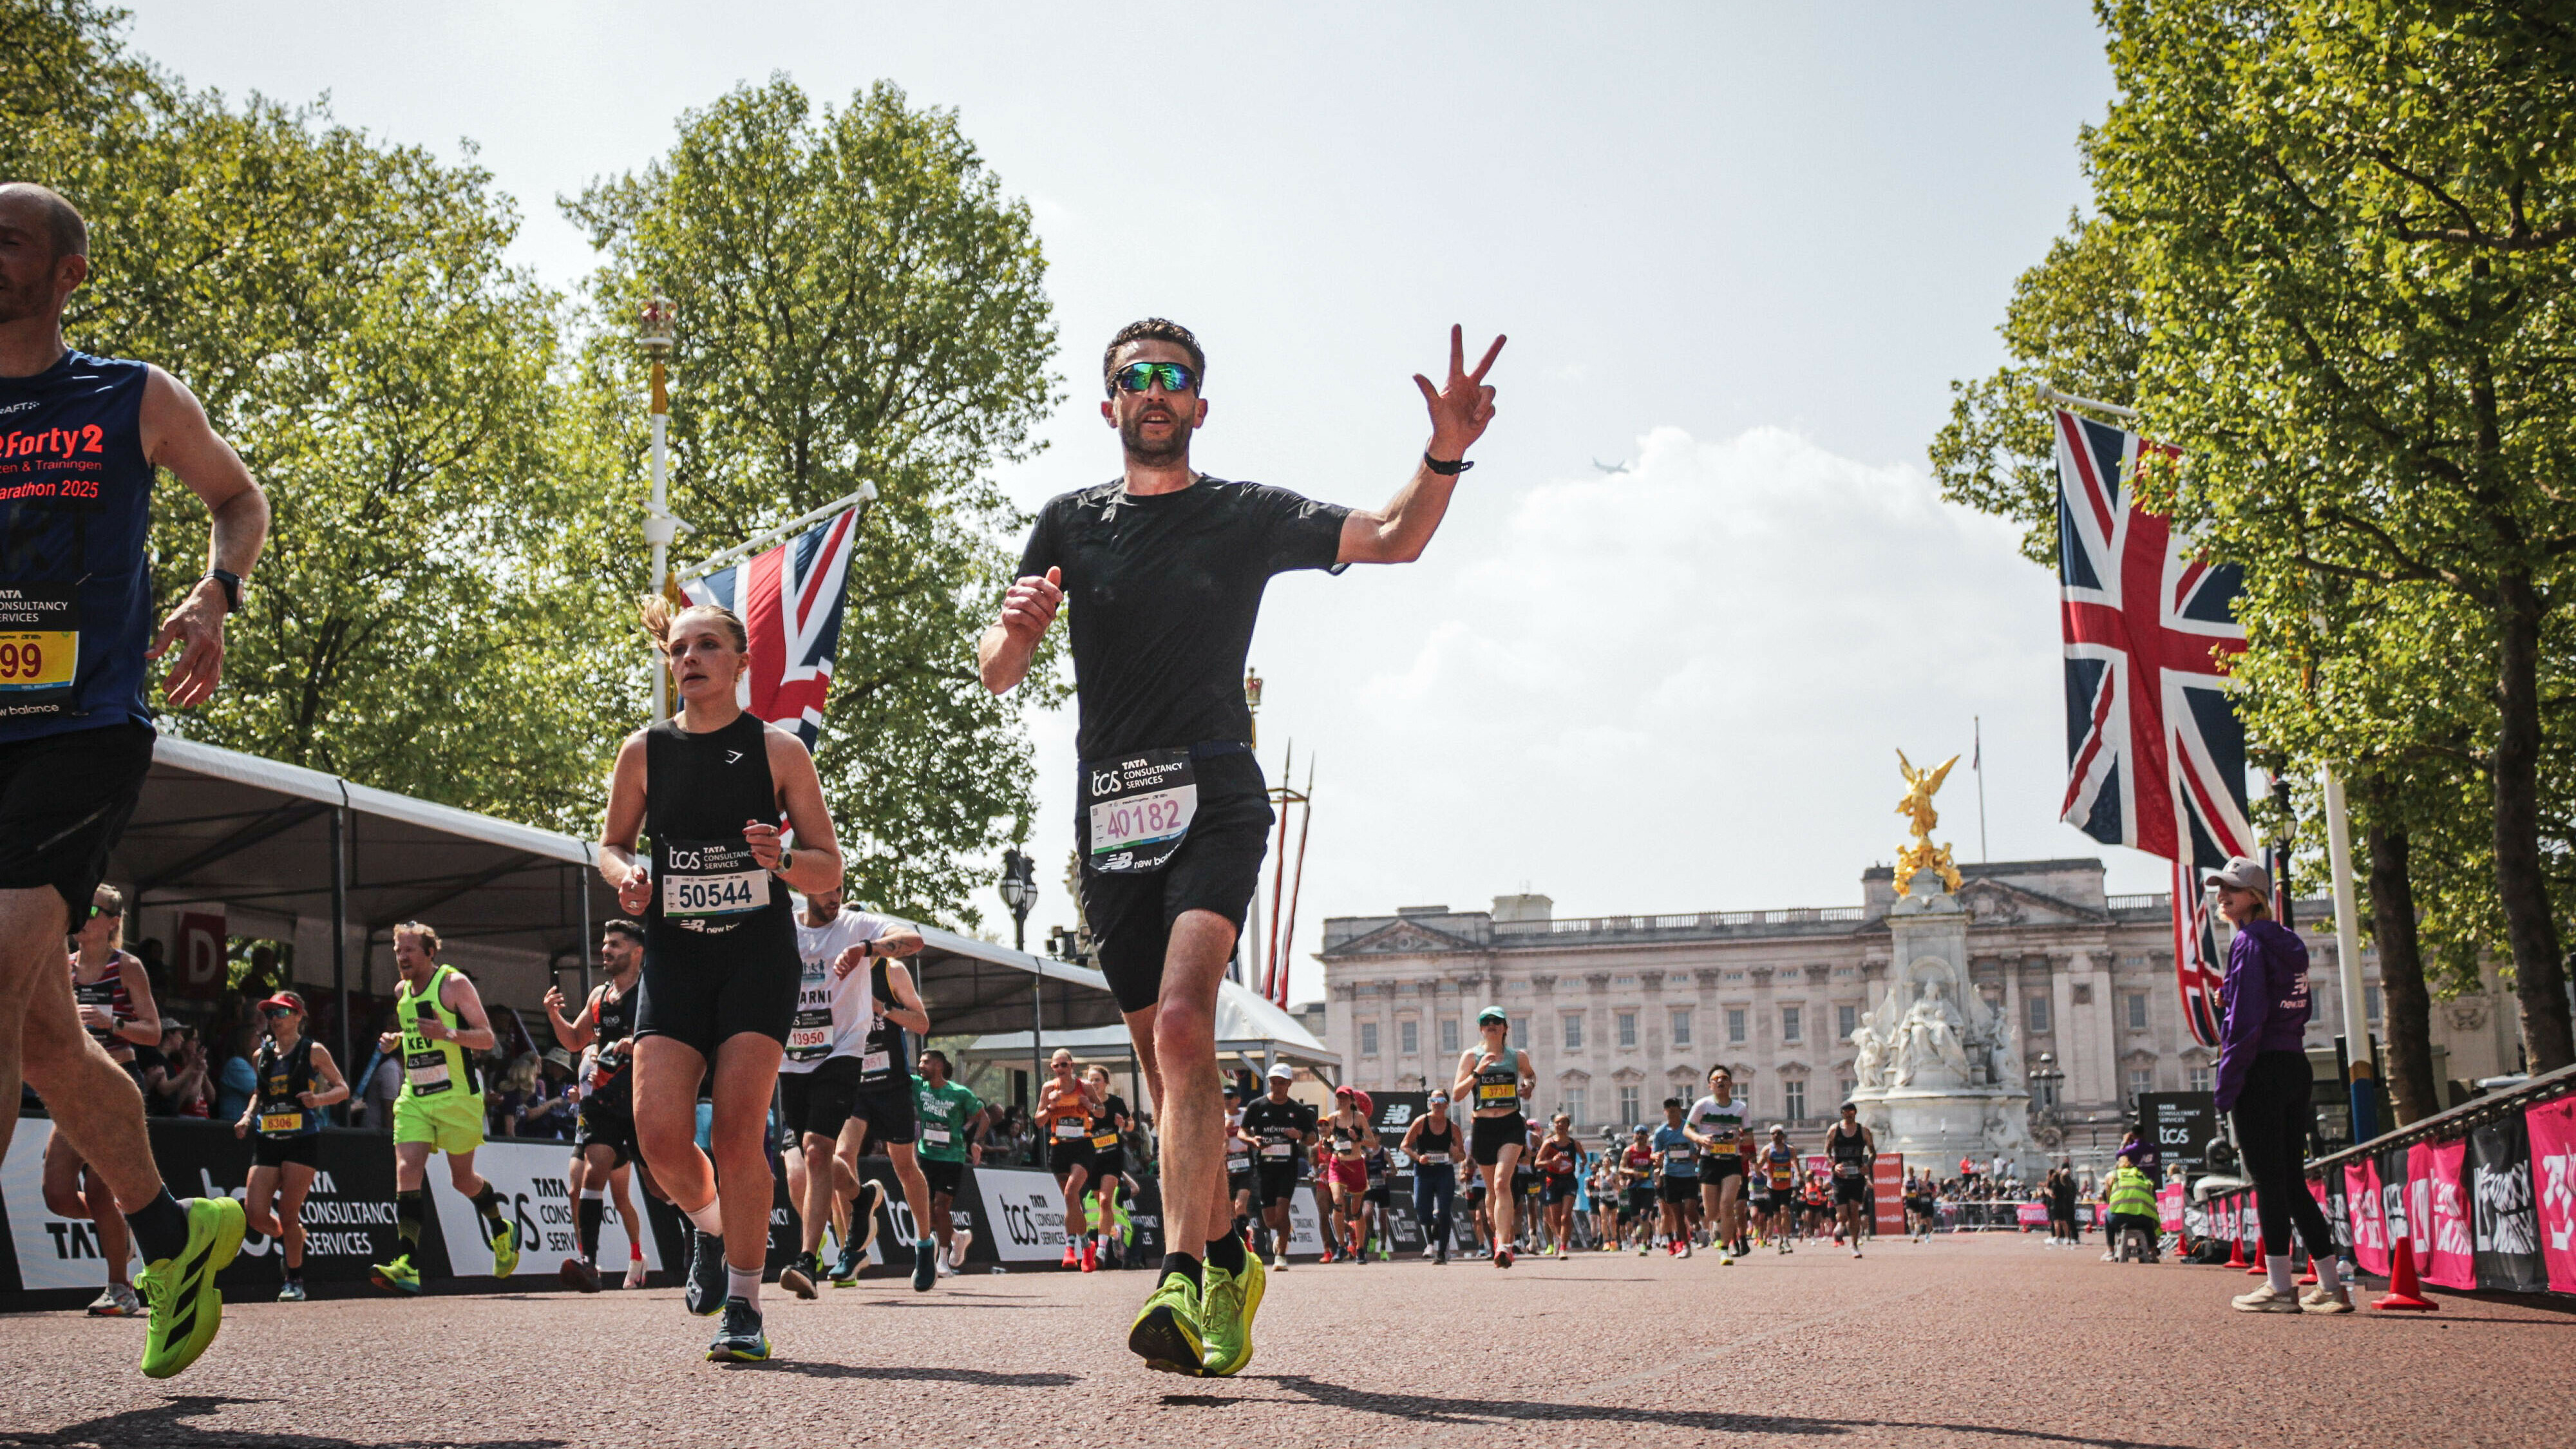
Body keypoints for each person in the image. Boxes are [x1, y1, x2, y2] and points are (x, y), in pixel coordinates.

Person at [980, 317, 1502, 1374]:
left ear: (1200, 407)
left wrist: (1443, 451)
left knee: (1184, 1022)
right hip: (1109, 814)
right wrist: (1021, 630)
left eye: (1174, 378)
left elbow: (1396, 535)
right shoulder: (1068, 524)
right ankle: (1227, 1256)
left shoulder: (1245, 515)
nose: (1156, 392)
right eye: (1136, 379)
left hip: (1215, 790)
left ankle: (1178, 1278)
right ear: (1110, 405)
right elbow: (994, 667)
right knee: (1168, 1079)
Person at [0, 182, 268, 1379]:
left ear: (67, 273)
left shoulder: (132, 395)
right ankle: (176, 1232)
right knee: (48, 1040)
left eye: (7, 243)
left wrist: (219, 593)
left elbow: (238, 496)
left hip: (80, 727)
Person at [600, 597, 846, 1361]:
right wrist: (627, 879)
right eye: (679, 648)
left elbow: (828, 868)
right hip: (675, 959)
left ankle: (744, 1306)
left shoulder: (778, 752)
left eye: (708, 645)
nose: (690, 658)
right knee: (660, 1138)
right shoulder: (643, 751)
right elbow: (610, 845)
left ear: (741, 664)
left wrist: (782, 861)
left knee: (741, 1131)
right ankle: (708, 1227)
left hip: (755, 961)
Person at [2206, 857, 2348, 1314]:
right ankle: (2329, 1283)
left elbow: (2247, 1023)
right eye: (2221, 889)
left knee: (2267, 1181)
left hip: (2261, 1068)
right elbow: (2291, 1004)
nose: (2223, 896)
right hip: (2294, 1061)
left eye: (2233, 889)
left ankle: (2281, 1286)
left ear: (2256, 897)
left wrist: (2228, 1084)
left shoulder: (2247, 942)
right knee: (2291, 1180)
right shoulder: (2289, 942)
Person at [774, 885, 920, 1298]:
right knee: (809, 1157)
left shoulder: (856, 924)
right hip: (793, 1056)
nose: (834, 895)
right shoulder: (785, 926)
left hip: (842, 1053)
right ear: (806, 885)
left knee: (819, 1150)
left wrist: (867, 949)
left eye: (839, 886)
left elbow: (914, 940)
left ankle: (806, 1260)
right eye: (826, 888)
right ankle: (860, 1200)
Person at [369, 923, 520, 1294]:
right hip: (416, 1097)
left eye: (409, 951)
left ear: (429, 952)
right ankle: (408, 1264)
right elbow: (418, 1032)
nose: (402, 958)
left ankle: (501, 1229)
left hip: (457, 1098)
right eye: (398, 951)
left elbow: (487, 1039)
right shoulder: (401, 992)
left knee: (461, 1180)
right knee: (407, 1171)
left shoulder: (453, 984)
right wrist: (397, 1040)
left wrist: (448, 1034)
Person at [51, 884, 161, 1317]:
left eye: (93, 910)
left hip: (115, 1077)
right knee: (56, 1194)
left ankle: (120, 1289)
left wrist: (111, 1021)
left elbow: (152, 1032)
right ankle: (121, 1227)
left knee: (99, 1191)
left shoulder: (127, 967)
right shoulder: (65, 966)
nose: (84, 916)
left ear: (114, 921)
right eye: (81, 907)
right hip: (72, 1084)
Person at [542, 920, 652, 1293]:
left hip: (643, 1099)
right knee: (592, 1174)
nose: (606, 950)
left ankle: (700, 1239)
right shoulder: (599, 996)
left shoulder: (652, 991)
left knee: (658, 1185)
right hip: (603, 1102)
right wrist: (554, 1015)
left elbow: (673, 1044)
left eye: (615, 945)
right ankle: (590, 1263)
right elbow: (575, 1040)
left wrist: (635, 1045)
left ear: (637, 952)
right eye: (605, 944)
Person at [840, 902, 935, 1289]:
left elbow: (922, 1022)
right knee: (841, 1158)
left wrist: (885, 1008)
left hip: (892, 1082)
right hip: (854, 1083)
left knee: (904, 1165)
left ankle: (925, 1245)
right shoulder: (835, 973)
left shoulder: (890, 969)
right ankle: (854, 1243)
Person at [231, 991, 347, 1301]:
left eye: (281, 1013)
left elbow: (343, 1089)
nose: (274, 1020)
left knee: (287, 1211)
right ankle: (292, 1239)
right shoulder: (261, 1055)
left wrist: (318, 1100)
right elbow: (259, 1092)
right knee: (255, 1213)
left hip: (301, 1140)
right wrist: (246, 1117)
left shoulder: (314, 1051)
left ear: (298, 1016)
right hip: (267, 1137)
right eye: (270, 1014)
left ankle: (293, 1279)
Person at [1452, 1005, 1537, 1268]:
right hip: (1483, 1127)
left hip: (1510, 1124)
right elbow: (1456, 1094)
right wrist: (1478, 1073)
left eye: (1497, 1021)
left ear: (1505, 1028)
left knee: (1502, 1183)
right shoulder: (1471, 1056)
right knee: (1491, 1190)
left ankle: (1505, 1245)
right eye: (1486, 1021)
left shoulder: (1517, 1056)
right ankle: (1500, 1237)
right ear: (1481, 1028)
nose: (1492, 1024)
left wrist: (1528, 1087)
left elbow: (1530, 1076)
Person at [912, 1048, 985, 1276]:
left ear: (939, 1066)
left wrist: (974, 1141)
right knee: (929, 1213)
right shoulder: (918, 1086)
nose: (921, 1066)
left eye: (926, 1062)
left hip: (952, 1157)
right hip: (926, 1156)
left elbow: (983, 1116)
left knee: (941, 1207)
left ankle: (942, 1261)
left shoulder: (960, 1093)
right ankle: (957, 1237)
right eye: (920, 1062)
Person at [1238, 1061, 1315, 1273]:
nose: (1277, 1087)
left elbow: (1312, 1138)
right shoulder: (1257, 1106)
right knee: (1271, 1220)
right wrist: (1253, 1141)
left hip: (1286, 1169)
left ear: (1289, 1084)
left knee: (1282, 1210)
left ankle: (1281, 1255)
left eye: (1281, 1083)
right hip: (1264, 1168)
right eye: (1273, 1082)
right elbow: (1241, 1132)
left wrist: (1299, 1135)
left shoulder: (1297, 1110)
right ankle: (1280, 1237)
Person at [1038, 1050, 1100, 1271]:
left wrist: (1090, 1105)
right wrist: (1050, 1107)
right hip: (1059, 1148)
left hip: (1082, 1147)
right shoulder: (1049, 1089)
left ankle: (1069, 1248)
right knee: (1071, 1203)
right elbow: (1038, 1121)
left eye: (1064, 1065)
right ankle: (1086, 1248)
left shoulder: (1085, 1087)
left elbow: (1102, 1113)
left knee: (1070, 1193)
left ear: (1071, 1065)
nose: (1060, 1069)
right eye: (1056, 1066)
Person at [1683, 1066, 1751, 1264]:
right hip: (1709, 1160)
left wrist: (1738, 1138)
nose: (1720, 1081)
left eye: (1724, 1078)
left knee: (1727, 1204)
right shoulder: (1702, 1105)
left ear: (1731, 1083)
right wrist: (1700, 1138)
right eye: (1716, 1079)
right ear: (1710, 1085)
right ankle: (1719, 1223)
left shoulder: (1740, 1107)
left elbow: (1748, 1135)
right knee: (1712, 1212)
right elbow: (1687, 1130)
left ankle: (1725, 1249)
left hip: (1732, 1161)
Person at [1085, 1064, 1137, 1271]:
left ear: (1106, 1082)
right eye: (1090, 1080)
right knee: (1101, 1205)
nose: (1094, 1083)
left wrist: (1123, 1123)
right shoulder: (1085, 1104)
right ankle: (1115, 1232)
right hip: (1092, 1159)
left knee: (1106, 1200)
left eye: (1097, 1080)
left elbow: (1131, 1124)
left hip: (1112, 1157)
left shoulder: (1116, 1102)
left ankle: (1100, 1250)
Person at [1401, 1090, 1461, 1265]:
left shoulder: (1453, 1127)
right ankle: (1432, 1222)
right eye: (1433, 1100)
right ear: (1430, 1103)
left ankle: (1441, 1253)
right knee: (1422, 1210)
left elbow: (1462, 1155)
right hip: (1424, 1171)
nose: (1437, 1103)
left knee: (1445, 1211)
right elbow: (1404, 1146)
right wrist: (1418, 1157)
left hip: (1444, 1171)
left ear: (1447, 1105)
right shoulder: (1421, 1122)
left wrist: (1457, 1153)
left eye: (1441, 1100)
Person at [1319, 1085, 1374, 1264]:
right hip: (1338, 1165)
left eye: (1345, 1098)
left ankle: (1360, 1249)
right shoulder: (1333, 1118)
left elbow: (1372, 1142)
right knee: (1337, 1204)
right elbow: (1327, 1141)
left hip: (1356, 1165)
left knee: (1356, 1211)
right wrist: (1327, 1144)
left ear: (1352, 1101)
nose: (1341, 1101)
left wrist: (1357, 1138)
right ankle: (1341, 1246)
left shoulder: (1358, 1118)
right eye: (1339, 1098)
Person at [1823, 1101, 1875, 1259]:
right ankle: (1840, 1224)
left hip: (1857, 1176)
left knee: (1854, 1210)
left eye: (1851, 1112)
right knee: (1843, 1215)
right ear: (1842, 1113)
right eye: (1846, 1112)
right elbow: (1826, 1151)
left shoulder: (1864, 1132)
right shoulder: (1834, 1130)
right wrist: (1834, 1165)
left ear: (1855, 1113)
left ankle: (1854, 1244)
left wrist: (1868, 1166)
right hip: (1840, 1178)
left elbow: (1873, 1153)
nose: (1849, 1114)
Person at [1534, 1113, 1580, 1258]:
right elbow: (1537, 1163)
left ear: (1568, 1126)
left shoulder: (1574, 1143)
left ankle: (1563, 1248)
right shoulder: (1548, 1144)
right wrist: (1551, 1162)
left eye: (1563, 1123)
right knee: (1554, 1220)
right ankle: (1559, 1239)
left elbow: (1583, 1157)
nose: (1560, 1126)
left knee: (1565, 1217)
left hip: (1569, 1181)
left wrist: (1584, 1164)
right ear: (1554, 1126)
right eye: (1557, 1123)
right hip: (1553, 1181)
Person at [1222, 1082, 1258, 1251]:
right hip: (1227, 1168)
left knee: (1240, 1205)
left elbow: (1255, 1133)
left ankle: (1245, 1241)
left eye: (1230, 1097)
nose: (1227, 1101)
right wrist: (1223, 1130)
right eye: (1224, 1097)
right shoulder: (1218, 1117)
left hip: (1245, 1166)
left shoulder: (1246, 1115)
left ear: (1238, 1099)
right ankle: (1238, 1242)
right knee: (1231, 1211)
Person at [1757, 1126, 1800, 1253]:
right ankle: (1780, 1238)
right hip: (1773, 1186)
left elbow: (1795, 1162)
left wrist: (1799, 1175)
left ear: (1783, 1135)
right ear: (1771, 1136)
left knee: (1785, 1211)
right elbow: (1759, 1165)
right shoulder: (1767, 1150)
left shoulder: (1790, 1150)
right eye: (1773, 1134)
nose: (1776, 1136)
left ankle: (1786, 1240)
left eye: (1779, 1133)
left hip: (1787, 1185)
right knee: (1776, 1215)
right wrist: (1757, 1165)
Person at [1618, 1126, 1659, 1253]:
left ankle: (1644, 1244)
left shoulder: (1652, 1151)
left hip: (1648, 1187)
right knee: (1635, 1218)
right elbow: (1621, 1168)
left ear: (1647, 1136)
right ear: (1633, 1136)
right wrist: (1633, 1172)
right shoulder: (1628, 1151)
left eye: (1643, 1133)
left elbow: (1659, 1164)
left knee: (1645, 1216)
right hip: (1633, 1187)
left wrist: (1658, 1164)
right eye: (1638, 1133)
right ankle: (1639, 1235)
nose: (1640, 1135)